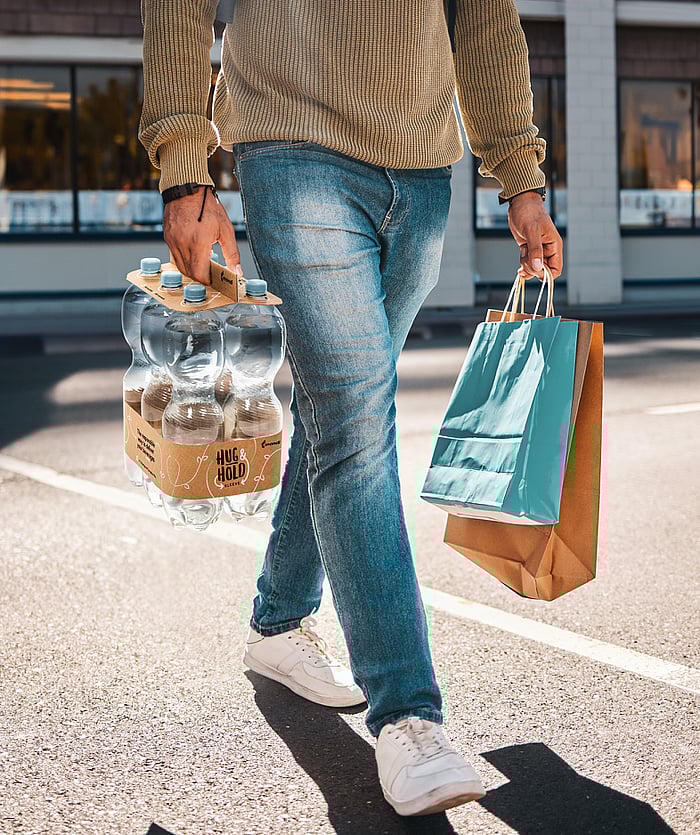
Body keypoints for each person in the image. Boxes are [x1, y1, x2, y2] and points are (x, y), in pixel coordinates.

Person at [140, 0, 563, 817]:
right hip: (292, 144)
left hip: (421, 169)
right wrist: (185, 167)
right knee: (359, 425)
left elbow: (483, 17)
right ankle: (408, 714)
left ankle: (276, 622)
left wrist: (522, 177)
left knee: (345, 416)